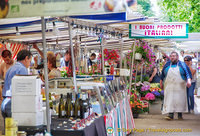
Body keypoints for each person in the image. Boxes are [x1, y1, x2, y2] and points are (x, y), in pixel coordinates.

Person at [160, 51, 192, 120]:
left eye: (174, 56)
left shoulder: (183, 64)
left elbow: (188, 73)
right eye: (171, 56)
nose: (172, 57)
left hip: (180, 87)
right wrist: (161, 82)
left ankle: (180, 115)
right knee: (170, 100)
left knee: (179, 100)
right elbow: (162, 75)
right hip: (169, 86)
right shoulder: (167, 64)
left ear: (177, 57)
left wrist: (189, 80)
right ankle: (170, 115)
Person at [1, 50, 32, 118]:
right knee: (16, 127)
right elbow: (23, 89)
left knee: (8, 128)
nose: (29, 64)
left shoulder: (11, 68)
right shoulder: (22, 69)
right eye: (30, 61)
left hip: (5, 102)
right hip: (13, 103)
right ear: (26, 58)